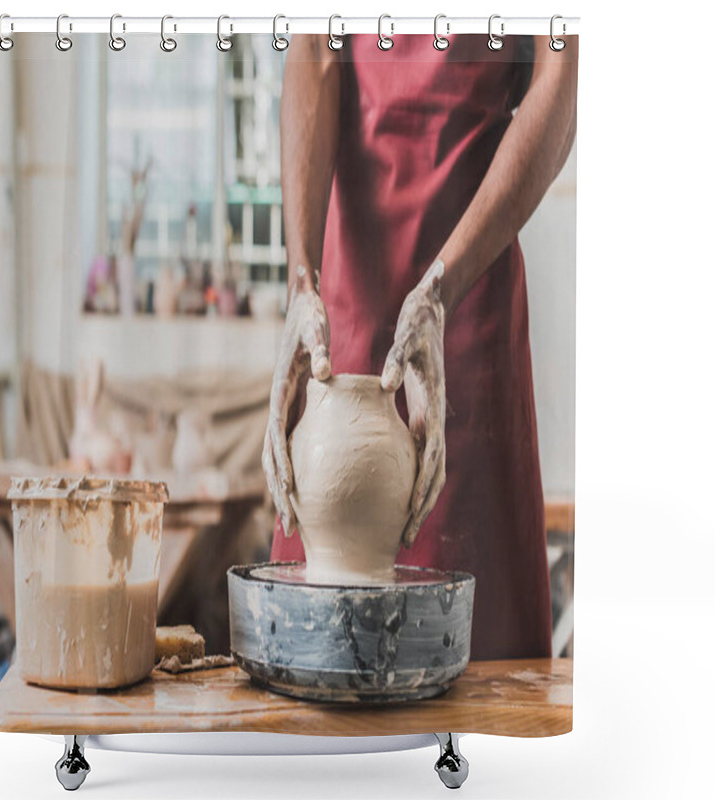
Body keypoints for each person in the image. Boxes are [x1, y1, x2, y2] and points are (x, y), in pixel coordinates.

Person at [262, 34, 578, 660]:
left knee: (478, 661)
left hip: (467, 290)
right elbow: (315, 52)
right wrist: (301, 282)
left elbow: (559, 82)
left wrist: (440, 289)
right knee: (318, 654)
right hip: (343, 292)